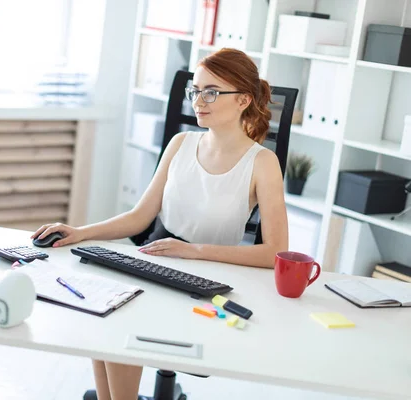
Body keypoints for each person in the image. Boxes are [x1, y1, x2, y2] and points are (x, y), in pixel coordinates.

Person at [31, 48, 288, 400]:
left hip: (209, 281)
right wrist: (79, 232)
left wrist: (193, 252)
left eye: (211, 92)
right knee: (100, 307)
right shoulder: (181, 143)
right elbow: (140, 217)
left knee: (122, 322)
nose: (199, 101)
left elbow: (276, 252)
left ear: (243, 99)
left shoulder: (262, 162)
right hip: (153, 260)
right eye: (195, 91)